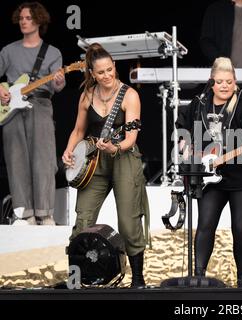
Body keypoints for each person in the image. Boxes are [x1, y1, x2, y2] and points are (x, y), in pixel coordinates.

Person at [62, 43, 150, 288]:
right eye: (101, 72)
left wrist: (116, 146)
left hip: (124, 158)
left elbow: (131, 137)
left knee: (128, 223)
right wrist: (69, 151)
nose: (107, 75)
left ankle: (138, 281)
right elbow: (78, 130)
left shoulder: (129, 95)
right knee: (83, 221)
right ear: (92, 73)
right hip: (93, 163)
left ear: (114, 67)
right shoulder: (87, 95)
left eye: (110, 69)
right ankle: (75, 280)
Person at [177, 57, 242, 287]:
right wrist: (184, 143)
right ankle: (198, 277)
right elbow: (182, 126)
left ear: (235, 81)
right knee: (206, 223)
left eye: (229, 81)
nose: (225, 86)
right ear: (212, 82)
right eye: (220, 81)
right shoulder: (200, 102)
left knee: (240, 227)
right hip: (209, 176)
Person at [0, 2, 65, 226]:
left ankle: (45, 213)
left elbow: (58, 86)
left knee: (44, 161)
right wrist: (1, 89)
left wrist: (59, 80)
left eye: (28, 18)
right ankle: (24, 213)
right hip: (12, 110)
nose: (23, 21)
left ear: (38, 21)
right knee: (15, 160)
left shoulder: (53, 52)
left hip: (41, 106)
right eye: (21, 18)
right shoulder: (8, 51)